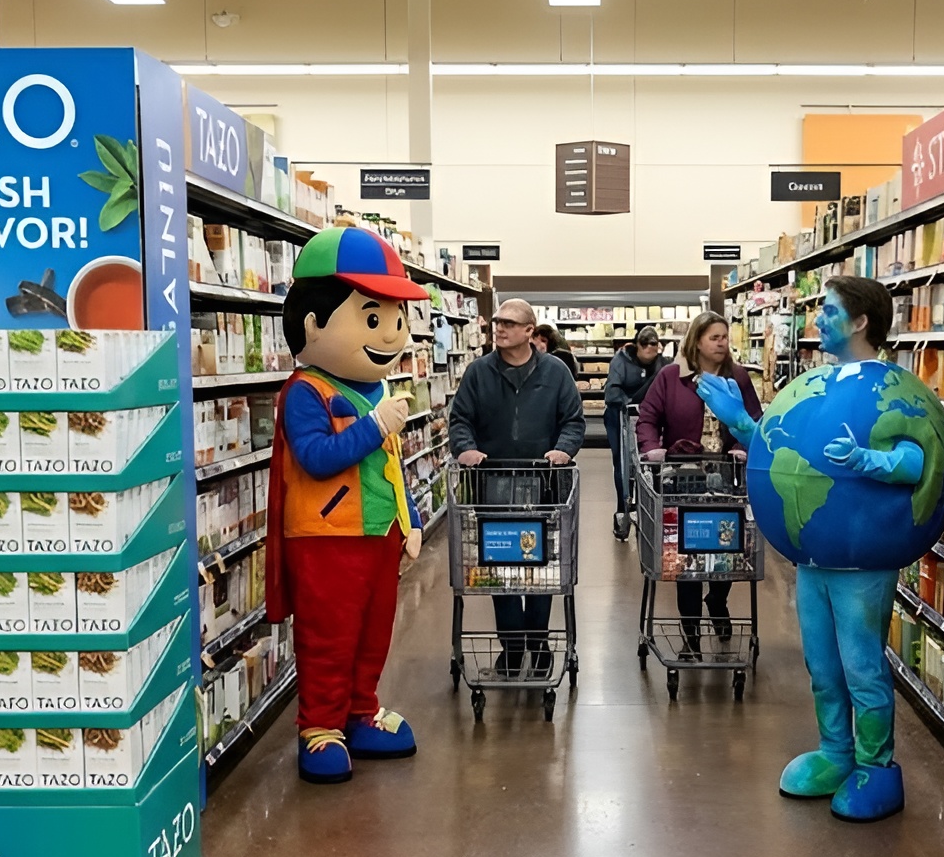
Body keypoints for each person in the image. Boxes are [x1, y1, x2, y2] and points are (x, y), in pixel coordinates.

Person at [698, 276, 944, 823]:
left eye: (830, 310)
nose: (817, 319)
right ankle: (836, 750)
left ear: (861, 321)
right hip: (813, 556)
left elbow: (920, 461)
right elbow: (786, 448)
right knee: (821, 662)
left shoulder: (896, 389)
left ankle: (877, 766)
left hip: (864, 559)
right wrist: (740, 420)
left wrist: (868, 460)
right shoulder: (816, 383)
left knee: (862, 664)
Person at [263, 226, 427, 785]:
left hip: (378, 534)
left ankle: (359, 711)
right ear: (313, 323)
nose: (392, 334)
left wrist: (410, 519)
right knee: (328, 636)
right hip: (326, 537)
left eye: (397, 319)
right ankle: (320, 726)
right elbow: (315, 458)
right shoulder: (305, 391)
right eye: (372, 318)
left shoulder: (376, 390)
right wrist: (375, 425)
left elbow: (390, 465)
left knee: (373, 632)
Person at [450, 298, 586, 676]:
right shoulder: (478, 372)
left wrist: (563, 449)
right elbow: (460, 419)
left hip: (544, 485)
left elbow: (573, 420)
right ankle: (511, 646)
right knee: (501, 564)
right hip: (492, 483)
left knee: (542, 567)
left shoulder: (555, 372)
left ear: (529, 331)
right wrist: (465, 448)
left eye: (509, 323)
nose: (500, 328)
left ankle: (538, 642)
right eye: (497, 322)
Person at [638, 311, 762, 658]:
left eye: (725, 337)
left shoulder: (738, 377)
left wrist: (742, 446)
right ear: (697, 341)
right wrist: (652, 448)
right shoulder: (671, 377)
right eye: (714, 338)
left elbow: (754, 419)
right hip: (683, 479)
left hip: (728, 479)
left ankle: (717, 600)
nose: (722, 343)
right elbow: (648, 418)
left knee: (728, 549)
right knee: (686, 557)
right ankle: (690, 635)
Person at [603, 326, 665, 513]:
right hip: (620, 417)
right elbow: (612, 392)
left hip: (651, 418)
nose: (648, 348)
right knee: (622, 462)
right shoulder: (620, 361)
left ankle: (651, 506)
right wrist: (629, 404)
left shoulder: (663, 364)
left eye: (653, 344)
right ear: (637, 345)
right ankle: (623, 507)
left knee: (652, 461)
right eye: (644, 344)